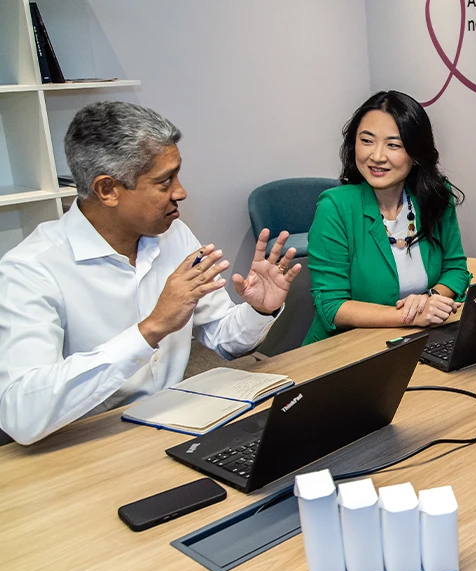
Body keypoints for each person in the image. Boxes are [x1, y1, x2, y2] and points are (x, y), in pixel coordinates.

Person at [0, 101, 302, 446]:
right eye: (164, 182)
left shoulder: (174, 235)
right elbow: (21, 416)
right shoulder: (30, 269)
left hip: (175, 428)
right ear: (107, 190)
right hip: (87, 447)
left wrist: (258, 310)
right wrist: (151, 329)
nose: (181, 192)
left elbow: (222, 339)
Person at [303, 90, 469, 344]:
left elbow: (456, 269)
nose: (377, 156)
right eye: (367, 141)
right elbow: (331, 307)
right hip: (344, 351)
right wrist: (410, 316)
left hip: (416, 341)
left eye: (394, 145)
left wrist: (429, 298)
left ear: (415, 154)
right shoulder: (335, 207)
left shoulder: (435, 197)